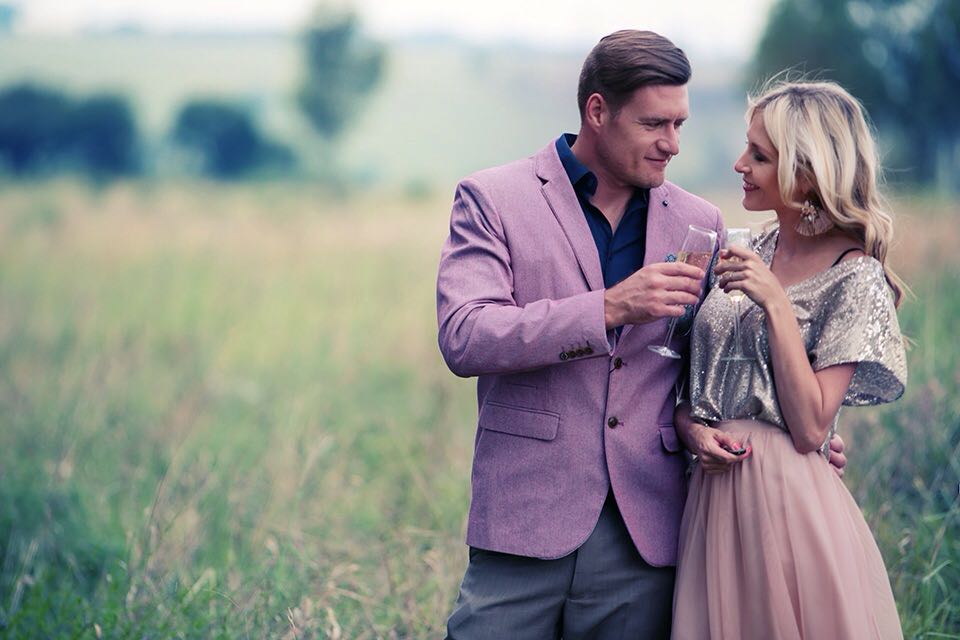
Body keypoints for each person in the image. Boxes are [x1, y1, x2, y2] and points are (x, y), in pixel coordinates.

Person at [436, 31, 846, 638]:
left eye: (680, 124)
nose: (673, 144)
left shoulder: (699, 221)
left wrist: (787, 436)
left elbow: (709, 367)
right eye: (656, 124)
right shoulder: (494, 199)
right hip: (524, 523)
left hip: (648, 535)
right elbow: (466, 336)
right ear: (597, 112)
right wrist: (606, 307)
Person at [671, 80, 907, 639]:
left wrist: (775, 300)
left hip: (790, 506)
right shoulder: (739, 246)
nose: (739, 164)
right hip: (711, 499)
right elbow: (691, 379)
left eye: (759, 155)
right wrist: (688, 427)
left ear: (807, 169)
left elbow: (810, 427)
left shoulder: (856, 277)